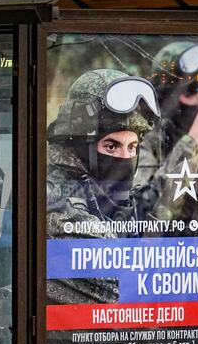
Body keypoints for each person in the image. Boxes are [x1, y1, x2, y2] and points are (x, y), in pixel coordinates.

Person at [46, 69, 157, 305]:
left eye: (133, 147)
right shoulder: (58, 204)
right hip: (76, 341)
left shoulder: (105, 194)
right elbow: (132, 288)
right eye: (111, 146)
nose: (125, 158)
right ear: (79, 145)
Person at [134, 41, 198, 234]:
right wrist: (193, 142)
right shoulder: (140, 143)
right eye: (190, 91)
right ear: (166, 96)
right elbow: (145, 222)